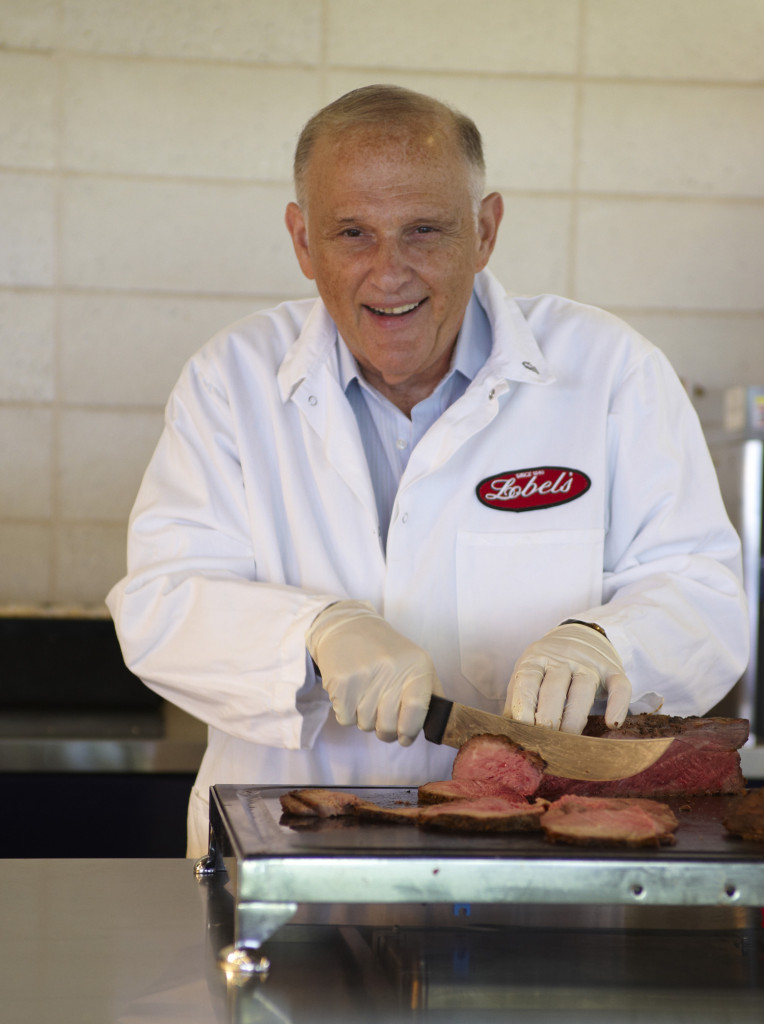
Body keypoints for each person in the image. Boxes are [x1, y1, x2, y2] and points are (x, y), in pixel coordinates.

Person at [106, 85, 749, 858]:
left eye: (424, 231)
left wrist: (610, 642)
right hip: (288, 853)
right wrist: (316, 632)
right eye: (352, 233)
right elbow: (161, 601)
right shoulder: (232, 380)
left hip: (535, 861)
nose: (389, 272)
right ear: (302, 241)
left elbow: (704, 591)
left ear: (484, 231)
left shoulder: (609, 370)